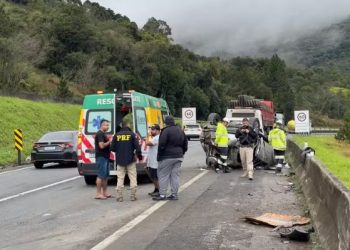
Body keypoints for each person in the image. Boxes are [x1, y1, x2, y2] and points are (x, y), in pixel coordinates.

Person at [153, 116, 188, 201]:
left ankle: (162, 195)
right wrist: (181, 153)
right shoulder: (180, 130)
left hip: (166, 157)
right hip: (179, 157)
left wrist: (159, 157)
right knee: (175, 176)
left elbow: (161, 145)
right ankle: (174, 194)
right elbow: (185, 144)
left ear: (166, 123)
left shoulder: (165, 131)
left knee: (163, 175)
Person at [111, 121, 142, 202]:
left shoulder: (116, 135)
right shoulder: (132, 134)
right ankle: (133, 196)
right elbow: (137, 147)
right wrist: (140, 156)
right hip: (131, 159)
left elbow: (112, 148)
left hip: (120, 160)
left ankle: (119, 196)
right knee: (132, 177)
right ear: (128, 125)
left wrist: (119, 150)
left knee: (120, 178)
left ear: (121, 126)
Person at [94, 119, 112, 200]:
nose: (108, 127)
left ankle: (105, 192)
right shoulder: (100, 134)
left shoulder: (103, 134)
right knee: (100, 175)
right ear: (102, 125)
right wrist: (109, 141)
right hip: (101, 157)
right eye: (106, 125)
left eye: (108, 125)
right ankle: (98, 193)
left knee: (105, 176)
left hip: (105, 157)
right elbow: (101, 146)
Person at [146, 124, 161, 197]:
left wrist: (147, 136)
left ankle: (159, 190)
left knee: (154, 177)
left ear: (158, 130)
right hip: (153, 160)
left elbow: (147, 143)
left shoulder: (157, 138)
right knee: (153, 176)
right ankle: (156, 189)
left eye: (153, 129)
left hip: (155, 162)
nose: (151, 131)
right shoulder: (155, 137)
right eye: (151, 129)